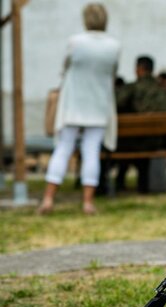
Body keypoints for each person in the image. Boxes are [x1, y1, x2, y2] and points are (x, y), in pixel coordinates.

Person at [37, 3, 120, 215]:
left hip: (73, 103)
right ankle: (87, 202)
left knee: (63, 149)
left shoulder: (75, 42)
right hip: (99, 105)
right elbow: (112, 73)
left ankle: (48, 199)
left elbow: (64, 68)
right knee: (91, 152)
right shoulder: (114, 46)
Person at [115, 55, 166, 193]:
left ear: (139, 69)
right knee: (140, 142)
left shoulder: (133, 88)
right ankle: (142, 185)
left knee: (123, 142)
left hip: (136, 141)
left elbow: (117, 102)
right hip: (159, 140)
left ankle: (118, 183)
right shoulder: (161, 88)